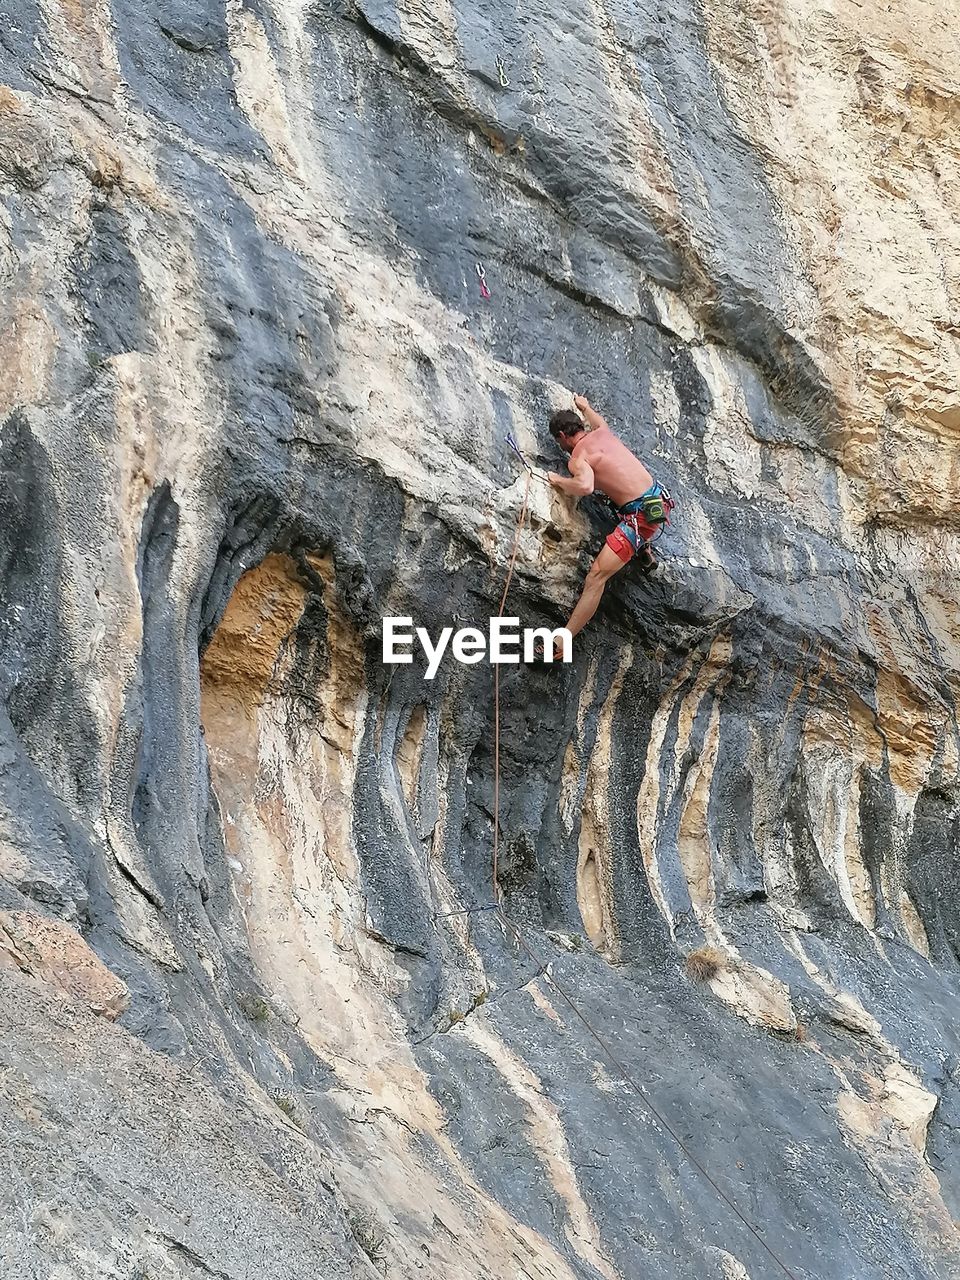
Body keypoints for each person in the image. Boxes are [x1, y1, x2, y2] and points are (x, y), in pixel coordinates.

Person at [546, 394, 672, 653]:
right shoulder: (602, 433)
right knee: (611, 498)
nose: (562, 448)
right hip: (658, 499)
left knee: (596, 577)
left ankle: (561, 645)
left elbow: (585, 485)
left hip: (639, 519)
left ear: (562, 436)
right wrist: (585, 406)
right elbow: (600, 422)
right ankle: (645, 551)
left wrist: (558, 480)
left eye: (560, 442)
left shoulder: (577, 458)